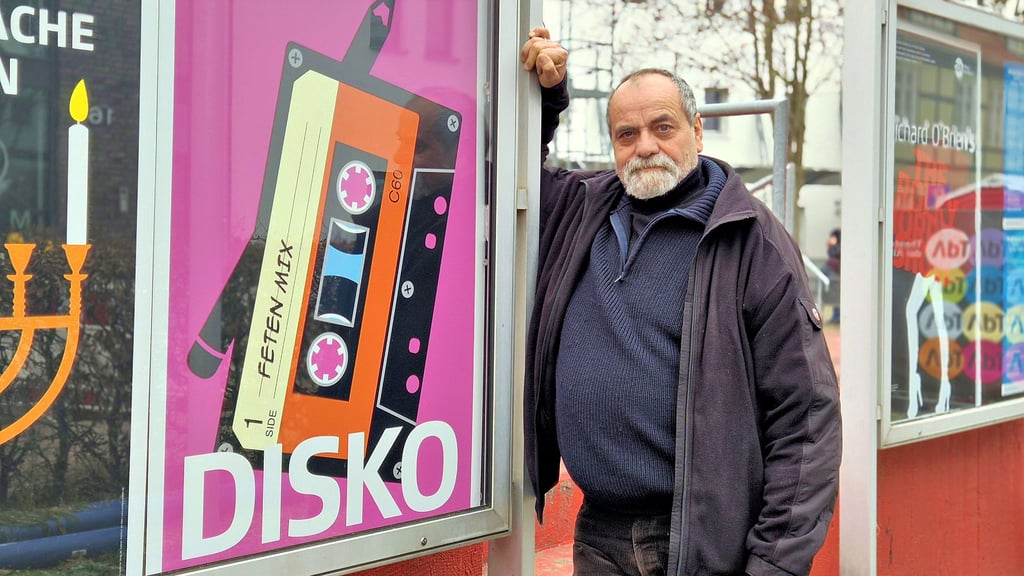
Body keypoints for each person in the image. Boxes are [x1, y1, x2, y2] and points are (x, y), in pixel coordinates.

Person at [520, 28, 841, 576]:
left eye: (662, 127)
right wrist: (545, 100)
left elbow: (806, 415)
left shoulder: (749, 240)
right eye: (627, 133)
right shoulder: (584, 211)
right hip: (597, 531)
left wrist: (776, 564)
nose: (645, 146)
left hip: (699, 541)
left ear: (696, 129)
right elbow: (515, 179)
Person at [825, 228, 841, 323]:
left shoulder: (839, 248)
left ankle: (837, 316)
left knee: (837, 297)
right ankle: (836, 316)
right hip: (835, 274)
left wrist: (831, 246)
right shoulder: (835, 247)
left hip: (837, 275)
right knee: (835, 296)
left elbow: (834, 255)